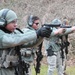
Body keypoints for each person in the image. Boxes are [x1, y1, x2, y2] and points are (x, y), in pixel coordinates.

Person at [0, 8, 52, 75]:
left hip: (14, 69)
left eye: (16, 22)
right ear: (3, 22)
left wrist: (41, 36)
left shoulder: (15, 33)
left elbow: (30, 43)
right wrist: (36, 33)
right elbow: (13, 40)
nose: (15, 24)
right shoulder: (2, 35)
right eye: (12, 22)